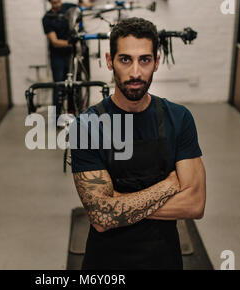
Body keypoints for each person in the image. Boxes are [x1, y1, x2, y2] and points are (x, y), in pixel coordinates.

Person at [71, 17, 206, 270]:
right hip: (107, 263)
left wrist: (117, 205)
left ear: (157, 61)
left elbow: (195, 204)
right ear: (110, 61)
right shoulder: (86, 125)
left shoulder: (179, 118)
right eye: (125, 60)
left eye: (144, 59)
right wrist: (168, 186)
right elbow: (101, 218)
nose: (135, 72)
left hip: (164, 258)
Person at [42, 0, 92, 118]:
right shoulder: (47, 19)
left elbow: (84, 7)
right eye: (54, 3)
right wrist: (73, 42)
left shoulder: (69, 7)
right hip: (57, 56)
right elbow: (55, 42)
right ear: (49, 2)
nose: (57, 5)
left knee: (76, 84)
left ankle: (75, 113)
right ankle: (56, 117)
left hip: (72, 55)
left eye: (58, 1)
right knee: (59, 86)